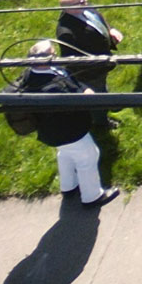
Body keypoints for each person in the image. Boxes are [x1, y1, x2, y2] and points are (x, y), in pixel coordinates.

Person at [14, 42, 116, 205]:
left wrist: (82, 89)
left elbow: (71, 80)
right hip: (69, 131)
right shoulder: (52, 88)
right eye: (53, 54)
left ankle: (68, 186)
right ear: (45, 60)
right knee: (88, 157)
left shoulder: (33, 74)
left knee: (66, 154)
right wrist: (86, 97)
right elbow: (72, 102)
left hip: (53, 133)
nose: (57, 56)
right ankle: (92, 196)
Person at [53, 0, 122, 92]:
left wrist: (110, 29)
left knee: (102, 82)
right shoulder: (66, 33)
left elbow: (97, 17)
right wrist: (97, 67)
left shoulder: (83, 7)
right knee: (97, 89)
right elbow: (71, 61)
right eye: (81, 1)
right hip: (92, 72)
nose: (86, 2)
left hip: (103, 60)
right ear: (69, 8)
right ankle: (105, 103)